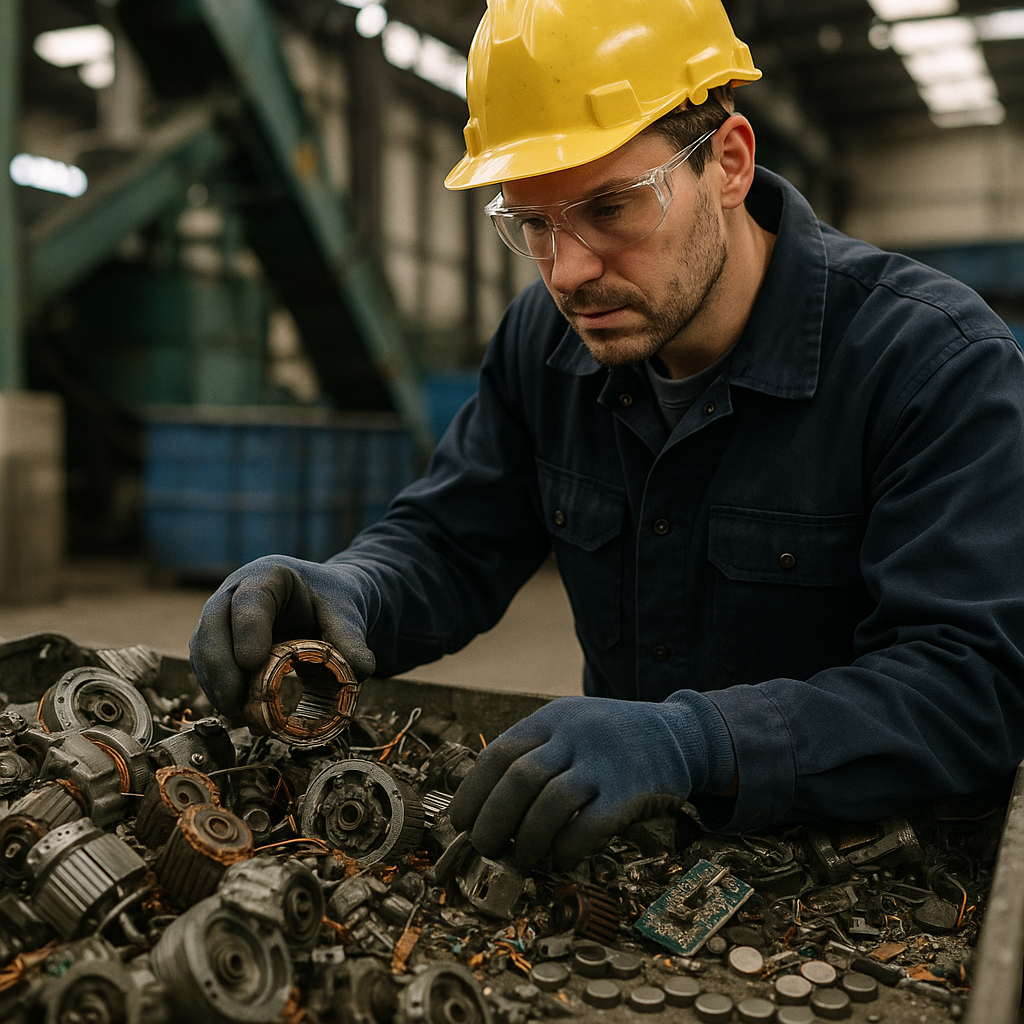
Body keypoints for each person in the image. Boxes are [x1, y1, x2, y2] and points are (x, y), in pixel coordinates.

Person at [191, 0, 1024, 872]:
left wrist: (697, 744)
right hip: (627, 862)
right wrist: (349, 593)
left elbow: (971, 686)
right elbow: (450, 541)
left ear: (729, 163)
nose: (570, 271)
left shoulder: (931, 363)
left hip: (869, 873)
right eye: (533, 225)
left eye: (613, 208)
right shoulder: (542, 344)